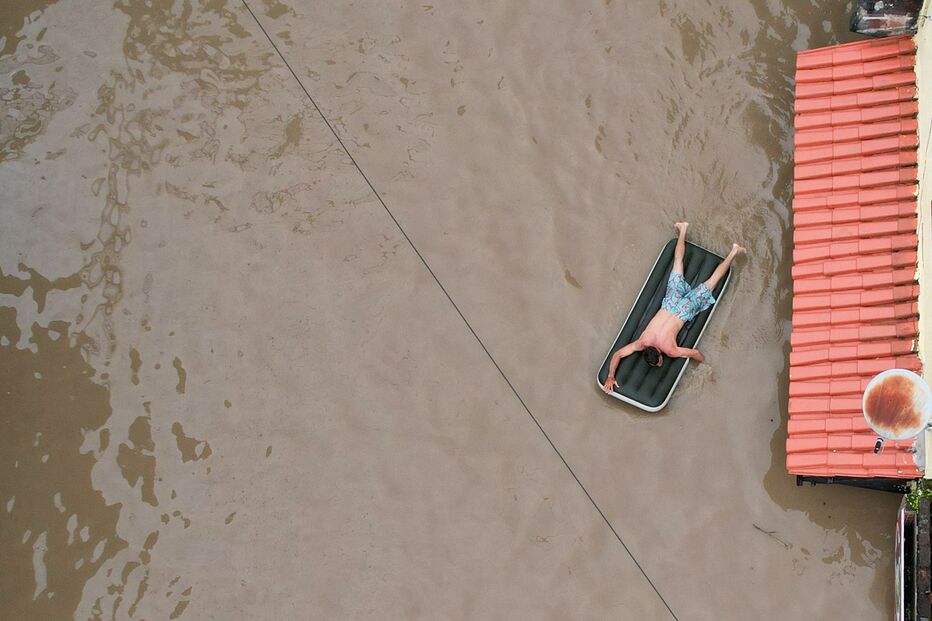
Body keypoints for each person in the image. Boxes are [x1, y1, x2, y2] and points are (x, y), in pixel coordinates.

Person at [602, 222, 744, 393]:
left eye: (659, 362)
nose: (661, 364)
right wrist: (611, 375)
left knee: (711, 283)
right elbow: (617, 354)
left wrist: (703, 365)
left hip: (684, 311)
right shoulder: (641, 342)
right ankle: (683, 228)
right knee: (678, 264)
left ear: (660, 354)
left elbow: (695, 353)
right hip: (670, 302)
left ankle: (734, 251)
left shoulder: (670, 349)